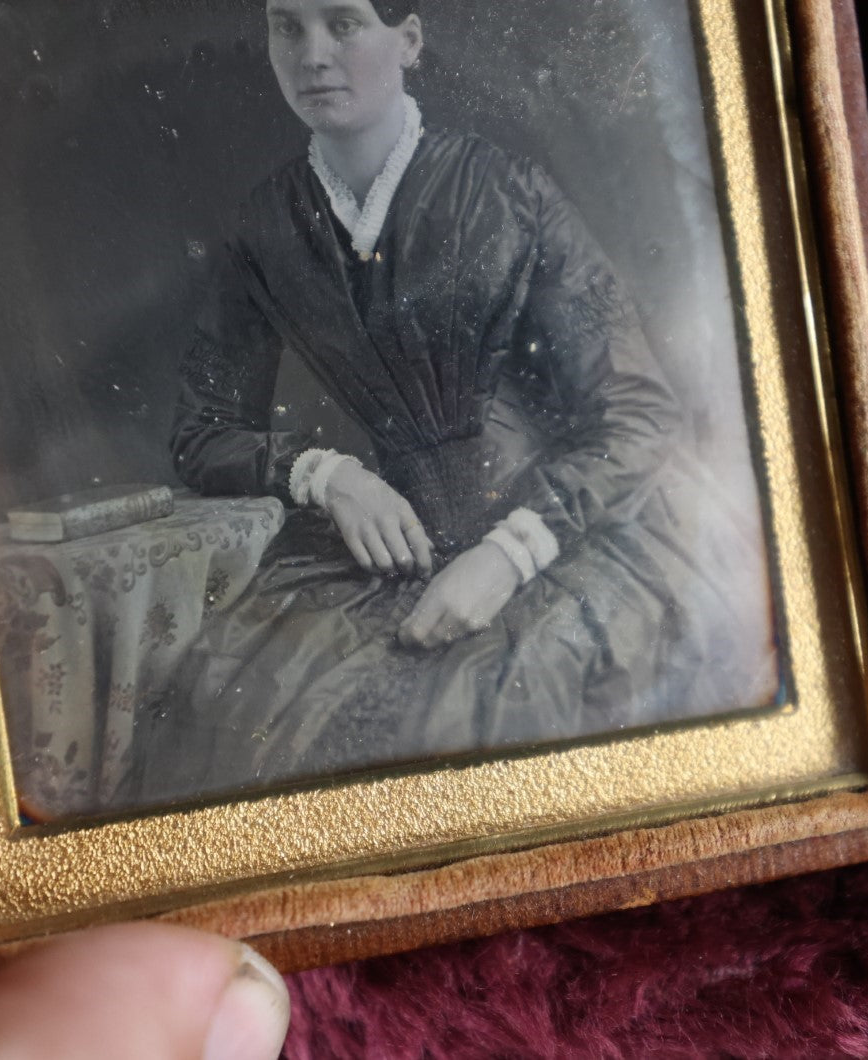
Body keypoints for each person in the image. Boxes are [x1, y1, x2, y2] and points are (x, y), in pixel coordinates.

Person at [127, 0, 774, 805]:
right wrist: (328, 477)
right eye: (286, 28)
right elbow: (204, 431)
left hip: (564, 534)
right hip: (377, 547)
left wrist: (508, 555)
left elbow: (638, 412)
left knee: (494, 709)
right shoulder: (263, 223)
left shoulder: (507, 190)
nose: (312, 55)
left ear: (409, 39)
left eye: (343, 23)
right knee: (228, 715)